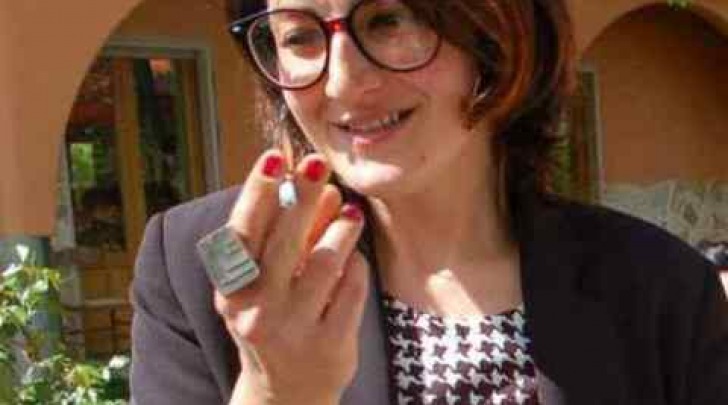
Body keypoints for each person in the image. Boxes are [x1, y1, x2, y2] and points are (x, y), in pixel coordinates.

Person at [129, 0, 728, 404]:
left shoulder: (661, 289)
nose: (341, 81)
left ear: (496, 31)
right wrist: (275, 393)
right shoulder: (196, 272)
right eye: (300, 36)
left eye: (389, 20)